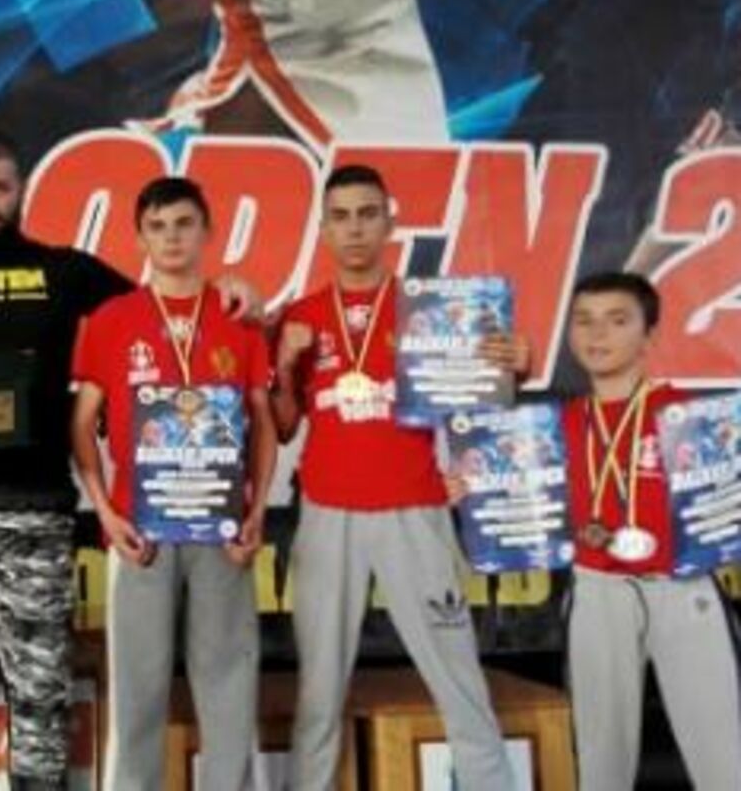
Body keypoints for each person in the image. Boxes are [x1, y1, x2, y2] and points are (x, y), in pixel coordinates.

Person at [0, 131, 259, 789]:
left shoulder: (65, 271)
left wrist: (232, 289)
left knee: (43, 704)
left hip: (35, 512)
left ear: (20, 188)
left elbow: (164, 304)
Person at [271, 164, 525, 790]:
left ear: (390, 221)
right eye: (341, 216)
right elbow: (282, 425)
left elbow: (486, 405)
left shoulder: (433, 311)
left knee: (459, 680)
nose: (355, 228)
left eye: (367, 214)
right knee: (318, 694)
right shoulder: (301, 316)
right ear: (324, 227)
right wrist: (283, 365)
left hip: (415, 507)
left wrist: (514, 365)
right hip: (328, 513)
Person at [451, 272, 741, 789]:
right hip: (598, 590)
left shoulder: (695, 417)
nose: (597, 333)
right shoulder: (551, 425)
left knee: (725, 758)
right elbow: (509, 493)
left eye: (617, 320)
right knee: (600, 759)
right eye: (584, 320)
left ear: (649, 336)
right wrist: (469, 488)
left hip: (683, 588)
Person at [71, 177, 277, 790]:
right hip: (140, 532)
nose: (171, 238)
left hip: (222, 531)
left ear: (207, 230)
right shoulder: (112, 320)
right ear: (139, 238)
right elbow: (81, 423)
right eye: (157, 227)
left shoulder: (239, 318)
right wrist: (105, 513)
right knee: (136, 693)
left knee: (229, 685)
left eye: (184, 223)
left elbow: (264, 422)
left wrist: (257, 512)